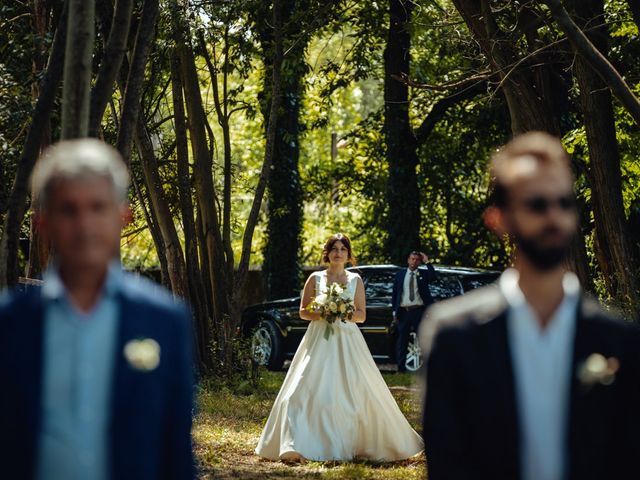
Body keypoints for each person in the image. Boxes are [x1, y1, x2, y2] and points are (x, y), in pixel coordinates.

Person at [420, 131, 640, 480]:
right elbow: (448, 462)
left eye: (564, 203)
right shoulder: (454, 335)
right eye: (537, 204)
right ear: (499, 219)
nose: (554, 216)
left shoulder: (619, 339)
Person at [0, 139, 195, 480]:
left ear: (124, 216)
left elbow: (175, 451)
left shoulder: (165, 320)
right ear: (41, 223)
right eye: (68, 209)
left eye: (97, 207)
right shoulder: (10, 322)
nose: (84, 225)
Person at [256, 233, 423, 462]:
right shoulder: (315, 278)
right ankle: (294, 443)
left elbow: (361, 315)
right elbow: (303, 312)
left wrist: (342, 311)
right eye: (334, 248)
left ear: (348, 254)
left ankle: (358, 443)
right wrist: (325, 311)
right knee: (298, 392)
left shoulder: (355, 280)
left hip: (347, 340)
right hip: (318, 340)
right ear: (328, 252)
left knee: (355, 391)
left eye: (343, 249)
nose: (338, 253)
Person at [392, 251, 436, 372]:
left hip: (419, 311)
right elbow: (395, 293)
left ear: (419, 262)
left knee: (423, 340)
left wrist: (427, 261)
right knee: (402, 341)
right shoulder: (400, 274)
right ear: (408, 260)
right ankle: (400, 369)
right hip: (403, 312)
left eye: (417, 260)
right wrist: (394, 312)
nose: (414, 261)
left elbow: (433, 276)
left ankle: (427, 369)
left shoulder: (423, 274)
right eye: (412, 259)